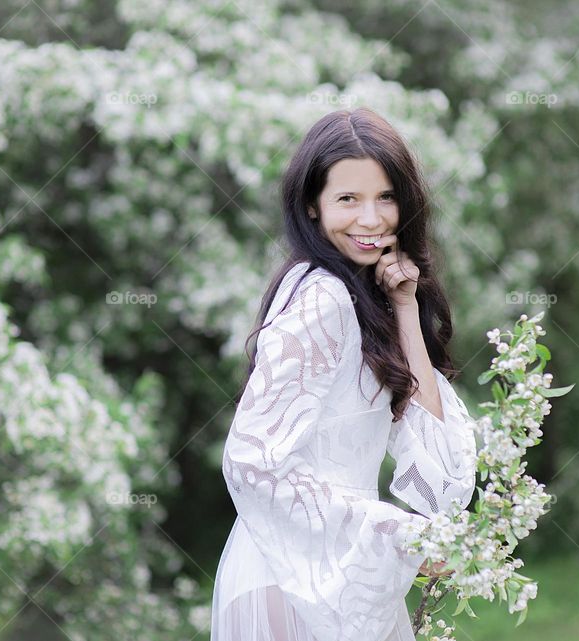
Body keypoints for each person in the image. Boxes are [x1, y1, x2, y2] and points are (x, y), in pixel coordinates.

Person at [211, 107, 480, 641]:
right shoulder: (323, 299)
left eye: (385, 197)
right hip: (292, 578)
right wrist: (397, 533)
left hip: (340, 573)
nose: (371, 219)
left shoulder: (363, 297)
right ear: (312, 206)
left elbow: (442, 472)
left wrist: (405, 309)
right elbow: (252, 463)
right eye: (347, 199)